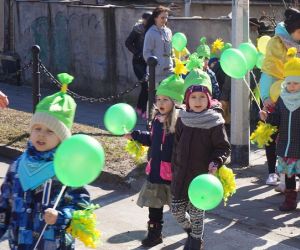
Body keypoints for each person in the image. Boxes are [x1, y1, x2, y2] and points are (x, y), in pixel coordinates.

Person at [0, 74, 90, 249]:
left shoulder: (67, 170)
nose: (41, 134)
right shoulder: (18, 166)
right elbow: (5, 206)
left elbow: (81, 206)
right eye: (37, 128)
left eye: (50, 131)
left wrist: (61, 216)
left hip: (53, 245)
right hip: (19, 244)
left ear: (61, 139)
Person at [171, 69, 230, 249]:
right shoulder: (182, 118)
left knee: (197, 213)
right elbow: (176, 145)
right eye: (193, 97)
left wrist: (216, 161)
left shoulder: (215, 121)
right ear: (187, 99)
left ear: (209, 99)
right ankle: (193, 232)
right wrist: (173, 168)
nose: (198, 101)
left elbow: (223, 147)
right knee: (177, 211)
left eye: (202, 97)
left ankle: (196, 241)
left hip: (201, 177)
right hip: (181, 175)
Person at [124, 74, 184, 247]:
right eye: (158, 99)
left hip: (173, 175)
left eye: (166, 99)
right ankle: (154, 234)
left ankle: (193, 232)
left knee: (179, 209)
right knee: (154, 208)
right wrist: (135, 135)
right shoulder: (157, 121)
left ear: (175, 102)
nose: (160, 103)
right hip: (156, 172)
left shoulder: (181, 123)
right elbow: (151, 139)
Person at [260, 8, 300, 190]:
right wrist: (266, 96)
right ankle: (283, 180)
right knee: (282, 140)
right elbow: (269, 71)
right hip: (279, 98)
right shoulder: (277, 43)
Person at [259, 48, 300, 211]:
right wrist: (266, 116)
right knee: (289, 175)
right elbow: (276, 120)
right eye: (289, 82)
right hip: (285, 145)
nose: (291, 86)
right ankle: (290, 199)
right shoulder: (282, 99)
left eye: (296, 82)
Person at [125, 12, 152, 119]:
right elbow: (128, 43)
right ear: (143, 19)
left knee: (149, 87)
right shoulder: (138, 29)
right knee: (145, 85)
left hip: (149, 63)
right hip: (138, 62)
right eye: (147, 19)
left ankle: (141, 108)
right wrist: (138, 53)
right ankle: (142, 109)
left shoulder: (153, 29)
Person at [143, 6, 173, 85]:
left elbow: (170, 50)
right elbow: (146, 53)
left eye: (166, 18)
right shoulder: (150, 33)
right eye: (162, 18)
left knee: (170, 97)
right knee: (156, 97)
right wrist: (156, 65)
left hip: (169, 71)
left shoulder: (169, 31)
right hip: (156, 74)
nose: (165, 20)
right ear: (155, 18)